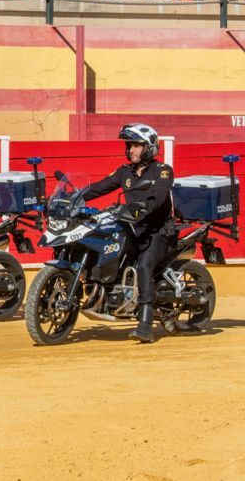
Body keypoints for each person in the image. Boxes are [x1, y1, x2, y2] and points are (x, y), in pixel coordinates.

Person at [72, 123, 175, 344]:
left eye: (137, 145)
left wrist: (142, 208)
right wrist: (73, 197)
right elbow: (99, 187)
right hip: (133, 227)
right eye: (130, 146)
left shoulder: (163, 170)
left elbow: (158, 196)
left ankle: (146, 325)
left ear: (149, 146)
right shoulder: (124, 172)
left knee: (144, 266)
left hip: (158, 230)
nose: (131, 150)